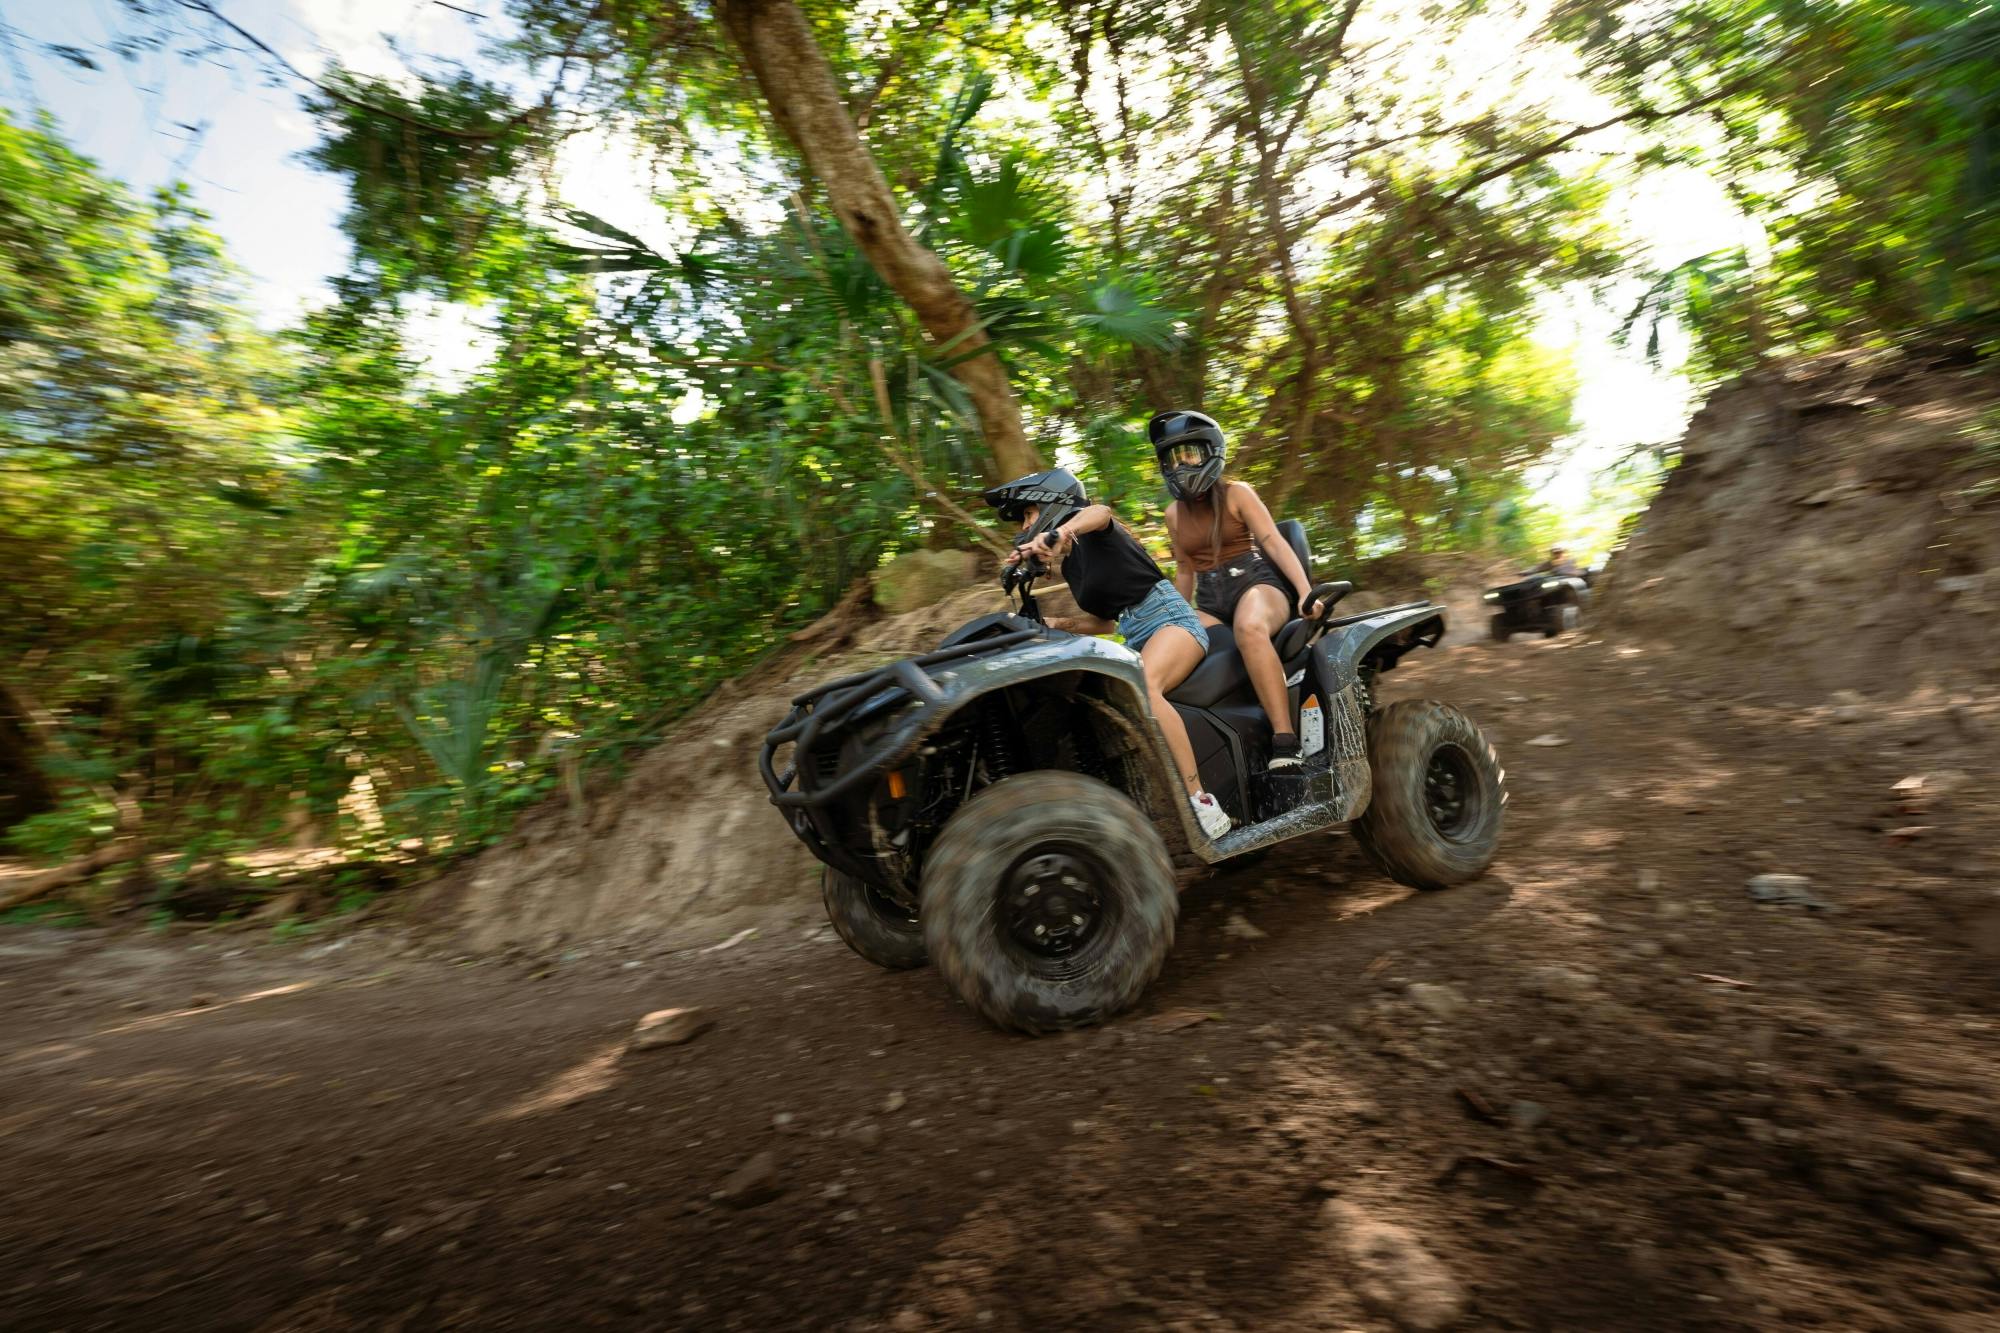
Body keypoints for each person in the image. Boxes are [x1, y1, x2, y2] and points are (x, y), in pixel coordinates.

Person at [983, 468, 1233, 841]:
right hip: (1134, 635)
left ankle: (1200, 799)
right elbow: (1107, 624)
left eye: (1029, 513)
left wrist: (1061, 532)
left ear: (1054, 506)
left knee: (1145, 686)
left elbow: (1099, 511)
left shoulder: (1095, 531)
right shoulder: (1072, 565)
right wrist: (1052, 621)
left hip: (1172, 621)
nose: (1025, 524)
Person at [1151, 410, 1319, 771]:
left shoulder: (1237, 493)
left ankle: (1286, 742)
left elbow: (1273, 541)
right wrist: (1170, 620)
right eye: (1173, 458)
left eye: (1190, 454)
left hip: (1256, 584)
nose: (1182, 465)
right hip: (1211, 600)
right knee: (1169, 642)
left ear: (1211, 451)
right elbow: (1184, 571)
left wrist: (1306, 591)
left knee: (1249, 628)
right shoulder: (1172, 515)